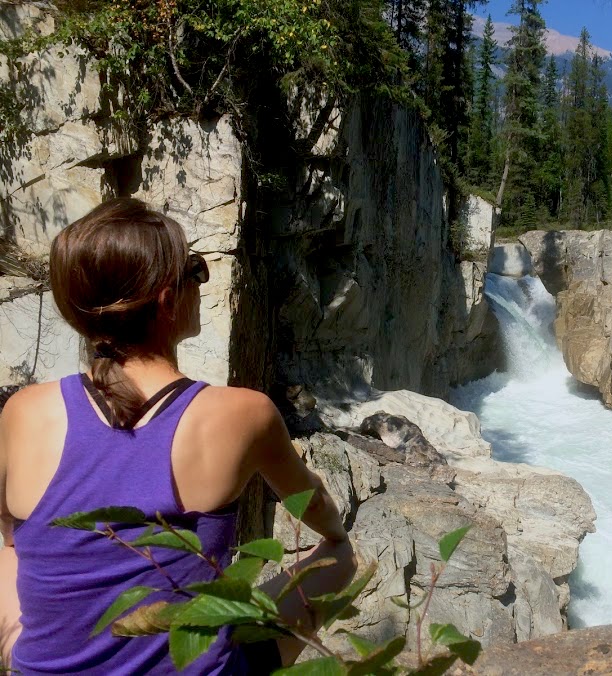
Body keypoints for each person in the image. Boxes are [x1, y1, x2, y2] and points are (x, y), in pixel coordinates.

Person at [0, 198, 357, 674]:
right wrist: (335, 536)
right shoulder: (243, 413)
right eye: (195, 271)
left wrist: (16, 637)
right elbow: (315, 509)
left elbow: (9, 533)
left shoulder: (23, 410)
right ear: (168, 300)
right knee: (341, 558)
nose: (199, 284)